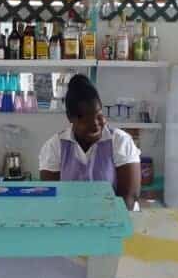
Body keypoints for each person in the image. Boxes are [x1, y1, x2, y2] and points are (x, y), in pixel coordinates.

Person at [39, 74, 141, 209]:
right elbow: (51, 198)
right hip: (71, 220)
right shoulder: (54, 147)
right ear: (70, 118)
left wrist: (107, 225)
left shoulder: (120, 142)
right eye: (86, 120)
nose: (96, 124)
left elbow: (129, 196)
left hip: (116, 220)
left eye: (99, 115)